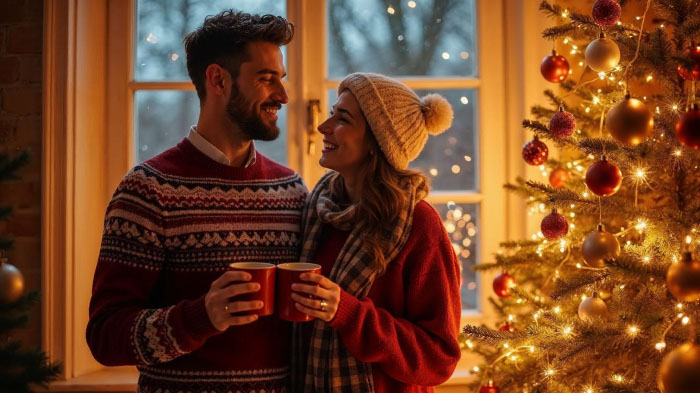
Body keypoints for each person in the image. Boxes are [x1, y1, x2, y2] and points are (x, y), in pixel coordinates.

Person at [86, 10, 307, 393]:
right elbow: (105, 336)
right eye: (266, 79)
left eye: (281, 80)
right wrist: (201, 316)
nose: (283, 96)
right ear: (218, 79)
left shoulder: (292, 190)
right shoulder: (148, 191)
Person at [290, 73, 462, 393]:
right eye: (331, 113)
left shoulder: (418, 225)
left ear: (377, 141)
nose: (323, 127)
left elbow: (439, 359)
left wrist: (349, 314)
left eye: (342, 119)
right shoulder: (319, 208)